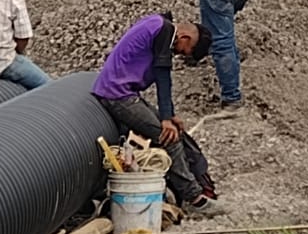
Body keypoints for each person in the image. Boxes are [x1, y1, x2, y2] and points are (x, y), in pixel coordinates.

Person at [91, 13, 220, 215]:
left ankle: (185, 183)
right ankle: (194, 198)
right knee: (169, 137)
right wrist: (166, 119)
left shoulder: (157, 23)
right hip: (118, 94)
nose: (181, 55)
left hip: (120, 90)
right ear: (185, 38)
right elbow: (163, 78)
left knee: (171, 130)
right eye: (186, 51)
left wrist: (170, 115)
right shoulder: (165, 33)